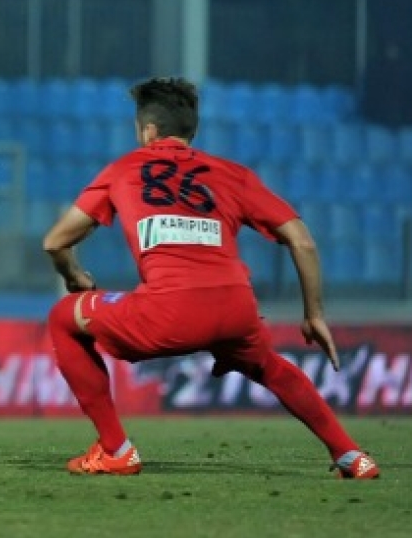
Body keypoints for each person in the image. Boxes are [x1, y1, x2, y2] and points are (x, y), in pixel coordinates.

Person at [41, 76, 380, 479]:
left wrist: (76, 276)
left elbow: (55, 242)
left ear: (147, 131)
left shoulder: (123, 170)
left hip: (167, 312)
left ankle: (116, 450)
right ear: (191, 130)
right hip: (235, 309)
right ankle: (351, 456)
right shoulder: (232, 174)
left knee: (64, 317)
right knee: (269, 366)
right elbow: (302, 240)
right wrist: (314, 314)